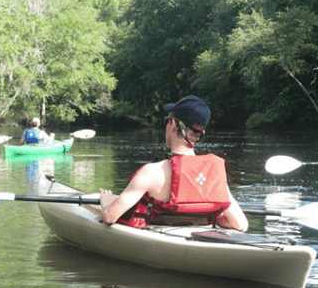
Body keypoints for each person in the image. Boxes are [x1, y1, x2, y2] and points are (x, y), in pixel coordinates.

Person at [100, 95, 249, 231]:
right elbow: (241, 225)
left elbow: (109, 217)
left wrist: (106, 204)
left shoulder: (152, 172)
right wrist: (214, 219)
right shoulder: (214, 175)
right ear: (200, 133)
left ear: (172, 125)